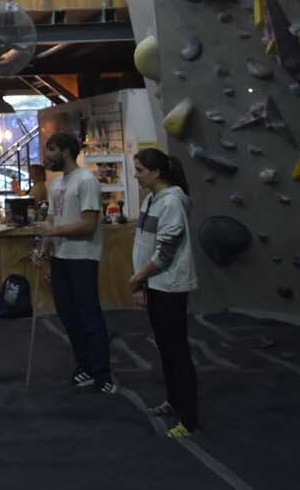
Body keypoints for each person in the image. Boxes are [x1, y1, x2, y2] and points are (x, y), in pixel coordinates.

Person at [35, 132, 115, 393]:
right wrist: (44, 247)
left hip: (82, 257)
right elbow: (51, 220)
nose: (47, 156)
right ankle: (84, 365)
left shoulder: (86, 181)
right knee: (69, 317)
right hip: (60, 257)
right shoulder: (56, 184)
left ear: (67, 152)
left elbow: (88, 224)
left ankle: (103, 373)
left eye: (51, 150)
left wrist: (53, 233)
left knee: (89, 316)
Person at [129, 148, 200, 438]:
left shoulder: (171, 202)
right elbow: (146, 244)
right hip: (155, 285)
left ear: (157, 172)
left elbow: (166, 251)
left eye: (140, 170)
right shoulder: (151, 200)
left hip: (170, 286)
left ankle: (189, 418)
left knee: (178, 352)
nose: (135, 175)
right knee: (165, 349)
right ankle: (173, 401)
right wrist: (143, 283)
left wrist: (138, 277)